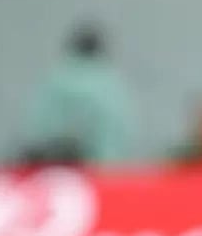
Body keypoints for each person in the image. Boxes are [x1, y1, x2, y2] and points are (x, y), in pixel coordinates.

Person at [20, 23, 134, 164]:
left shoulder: (55, 79)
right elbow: (121, 134)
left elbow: (35, 130)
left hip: (49, 164)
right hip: (101, 170)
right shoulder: (112, 85)